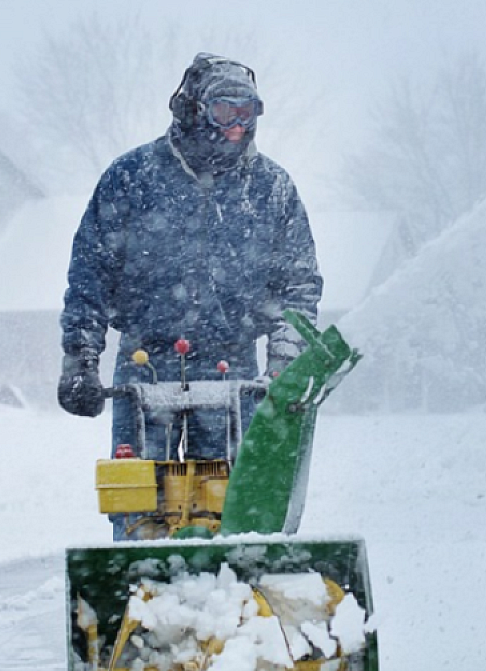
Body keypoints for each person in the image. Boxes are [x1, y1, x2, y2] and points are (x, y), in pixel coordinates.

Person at [57, 53, 322, 480]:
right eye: (224, 110)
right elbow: (91, 274)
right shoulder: (132, 178)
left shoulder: (271, 189)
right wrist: (81, 359)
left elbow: (299, 285)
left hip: (232, 368)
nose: (237, 125)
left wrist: (284, 365)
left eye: (247, 111)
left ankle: (221, 545)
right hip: (144, 362)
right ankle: (140, 545)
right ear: (193, 110)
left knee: (229, 501)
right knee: (139, 496)